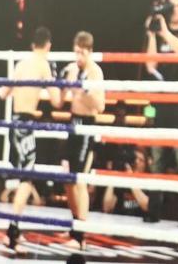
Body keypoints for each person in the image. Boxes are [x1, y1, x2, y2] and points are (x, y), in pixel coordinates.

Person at [0, 26, 61, 253]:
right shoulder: (43, 64)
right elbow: (57, 102)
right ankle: (12, 232)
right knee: (27, 177)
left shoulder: (22, 63)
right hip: (25, 124)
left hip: (15, 122)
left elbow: (2, 93)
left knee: (26, 176)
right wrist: (55, 81)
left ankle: (14, 230)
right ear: (48, 45)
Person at [141, 0, 178, 224]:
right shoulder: (158, 31)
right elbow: (150, 66)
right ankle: (154, 211)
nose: (175, 9)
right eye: (172, 5)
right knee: (156, 158)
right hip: (160, 100)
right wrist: (152, 35)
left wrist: (165, 33)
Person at [61, 32, 105, 250]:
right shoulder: (71, 68)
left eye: (81, 52)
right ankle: (74, 223)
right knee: (67, 178)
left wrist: (85, 89)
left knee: (79, 180)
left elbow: (101, 105)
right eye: (76, 51)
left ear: (89, 52)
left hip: (87, 125)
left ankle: (81, 235)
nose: (78, 56)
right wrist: (62, 83)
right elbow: (62, 99)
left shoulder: (95, 72)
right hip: (72, 123)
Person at [101, 147, 150, 217]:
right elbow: (107, 208)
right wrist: (113, 176)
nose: (137, 162)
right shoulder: (121, 180)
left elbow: (147, 207)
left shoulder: (149, 181)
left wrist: (131, 179)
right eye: (135, 159)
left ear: (146, 165)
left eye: (141, 160)